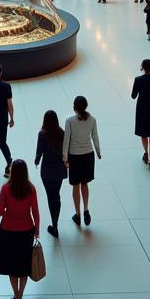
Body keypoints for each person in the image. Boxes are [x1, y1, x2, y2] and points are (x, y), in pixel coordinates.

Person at [0, 159, 39, 299]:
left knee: (12, 265)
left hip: (8, 230)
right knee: (23, 265)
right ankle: (20, 295)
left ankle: (16, 295)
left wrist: (8, 210)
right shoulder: (31, 189)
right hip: (27, 230)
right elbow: (36, 212)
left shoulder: (6, 188)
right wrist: (37, 230)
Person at [63, 95, 101, 225]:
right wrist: (98, 152)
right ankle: (86, 209)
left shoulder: (69, 121)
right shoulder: (92, 120)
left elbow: (66, 140)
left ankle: (77, 214)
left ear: (74, 108)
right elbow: (95, 137)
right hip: (88, 155)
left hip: (74, 156)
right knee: (85, 184)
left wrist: (64, 156)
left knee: (75, 185)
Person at [34, 110, 66, 237]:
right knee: (56, 195)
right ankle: (55, 223)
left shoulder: (42, 134)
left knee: (50, 196)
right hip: (59, 169)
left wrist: (36, 161)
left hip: (47, 170)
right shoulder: (61, 133)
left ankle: (54, 225)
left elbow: (39, 151)